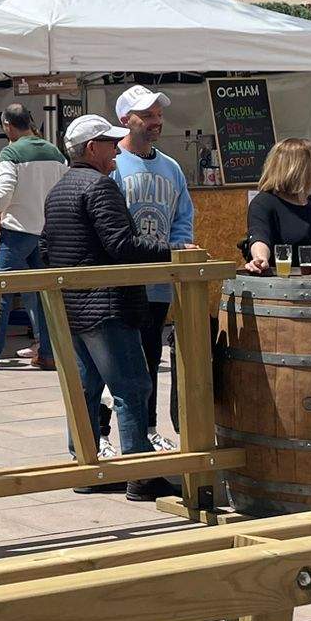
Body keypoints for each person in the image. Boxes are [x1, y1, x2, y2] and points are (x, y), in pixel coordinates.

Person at [41, 113, 175, 501]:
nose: (116, 148)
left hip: (73, 305)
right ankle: (140, 473)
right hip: (107, 304)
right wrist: (171, 252)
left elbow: (48, 249)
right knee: (132, 386)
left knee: (85, 388)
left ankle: (86, 467)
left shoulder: (60, 189)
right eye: (109, 142)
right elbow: (122, 245)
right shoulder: (100, 187)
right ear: (91, 149)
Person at [112, 85, 192, 447]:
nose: (155, 121)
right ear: (125, 120)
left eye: (158, 114)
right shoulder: (112, 164)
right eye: (146, 115)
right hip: (123, 281)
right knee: (118, 363)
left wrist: (178, 246)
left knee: (151, 356)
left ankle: (147, 428)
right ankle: (106, 434)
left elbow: (183, 217)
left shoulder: (171, 167)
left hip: (159, 282)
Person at [0, 103, 64, 373]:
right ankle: (48, 353)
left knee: (0, 292)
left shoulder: (11, 151)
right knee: (43, 292)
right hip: (45, 232)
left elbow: (4, 190)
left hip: (17, 230)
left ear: (7, 125)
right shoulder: (54, 151)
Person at [242, 138, 311, 273]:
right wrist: (260, 258)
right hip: (288, 289)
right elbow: (259, 236)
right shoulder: (265, 203)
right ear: (299, 170)